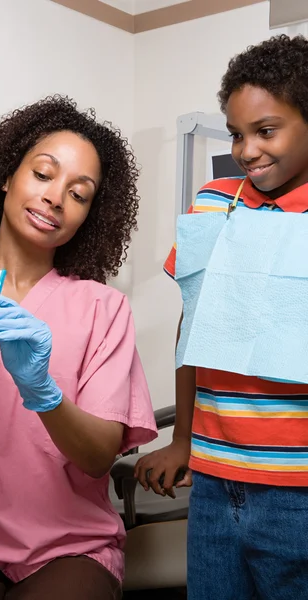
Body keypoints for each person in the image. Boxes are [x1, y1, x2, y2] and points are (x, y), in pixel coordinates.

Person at [0, 95, 157, 599]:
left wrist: (43, 392)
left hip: (65, 542)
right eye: (43, 174)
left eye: (79, 193)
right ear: (6, 175)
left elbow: (96, 458)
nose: (55, 198)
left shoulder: (102, 309)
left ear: (91, 213)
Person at [135, 35, 308, 599]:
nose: (247, 149)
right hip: (213, 475)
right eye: (237, 133)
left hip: (296, 485)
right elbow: (195, 326)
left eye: (266, 131)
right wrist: (183, 438)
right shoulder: (213, 201)